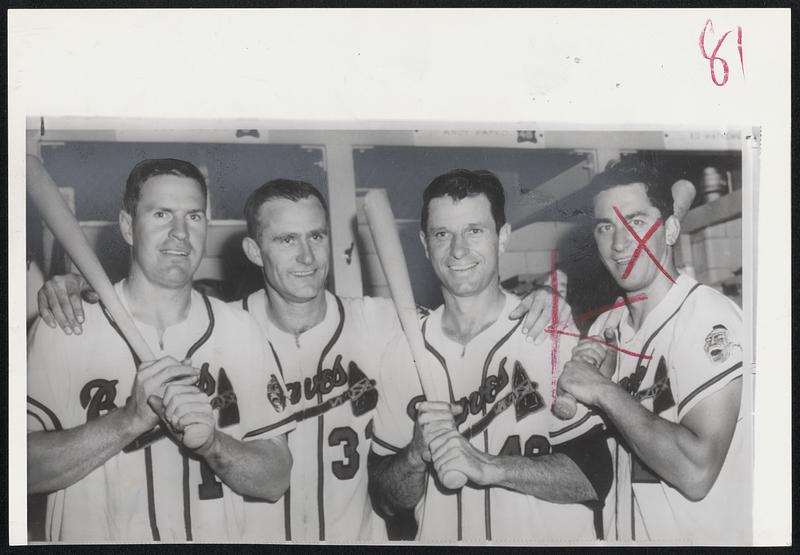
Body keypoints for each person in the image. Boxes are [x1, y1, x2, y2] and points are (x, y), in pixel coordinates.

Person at [36, 177, 570, 542]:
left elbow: (469, 315)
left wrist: (543, 295)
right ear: (252, 251)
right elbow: (152, 299)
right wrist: (74, 286)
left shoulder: (385, 323)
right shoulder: (223, 330)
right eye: (286, 240)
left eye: (316, 236)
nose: (307, 257)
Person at [27, 157, 293, 542]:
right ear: (127, 227)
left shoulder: (241, 331)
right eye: (162, 214)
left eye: (194, 217)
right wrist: (128, 420)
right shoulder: (66, 326)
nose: (180, 233)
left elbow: (275, 479)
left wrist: (214, 445)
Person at [367, 169, 612, 543]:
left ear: (503, 237)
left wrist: (490, 467)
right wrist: (415, 454)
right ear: (424, 243)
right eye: (442, 234)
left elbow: (594, 477)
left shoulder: (547, 334)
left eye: (474, 231)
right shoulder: (401, 354)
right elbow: (385, 500)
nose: (458, 250)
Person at [556, 156, 747, 543]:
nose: (620, 242)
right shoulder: (605, 327)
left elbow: (697, 473)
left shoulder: (706, 318)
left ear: (671, 229)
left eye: (637, 222)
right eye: (606, 227)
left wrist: (603, 391)